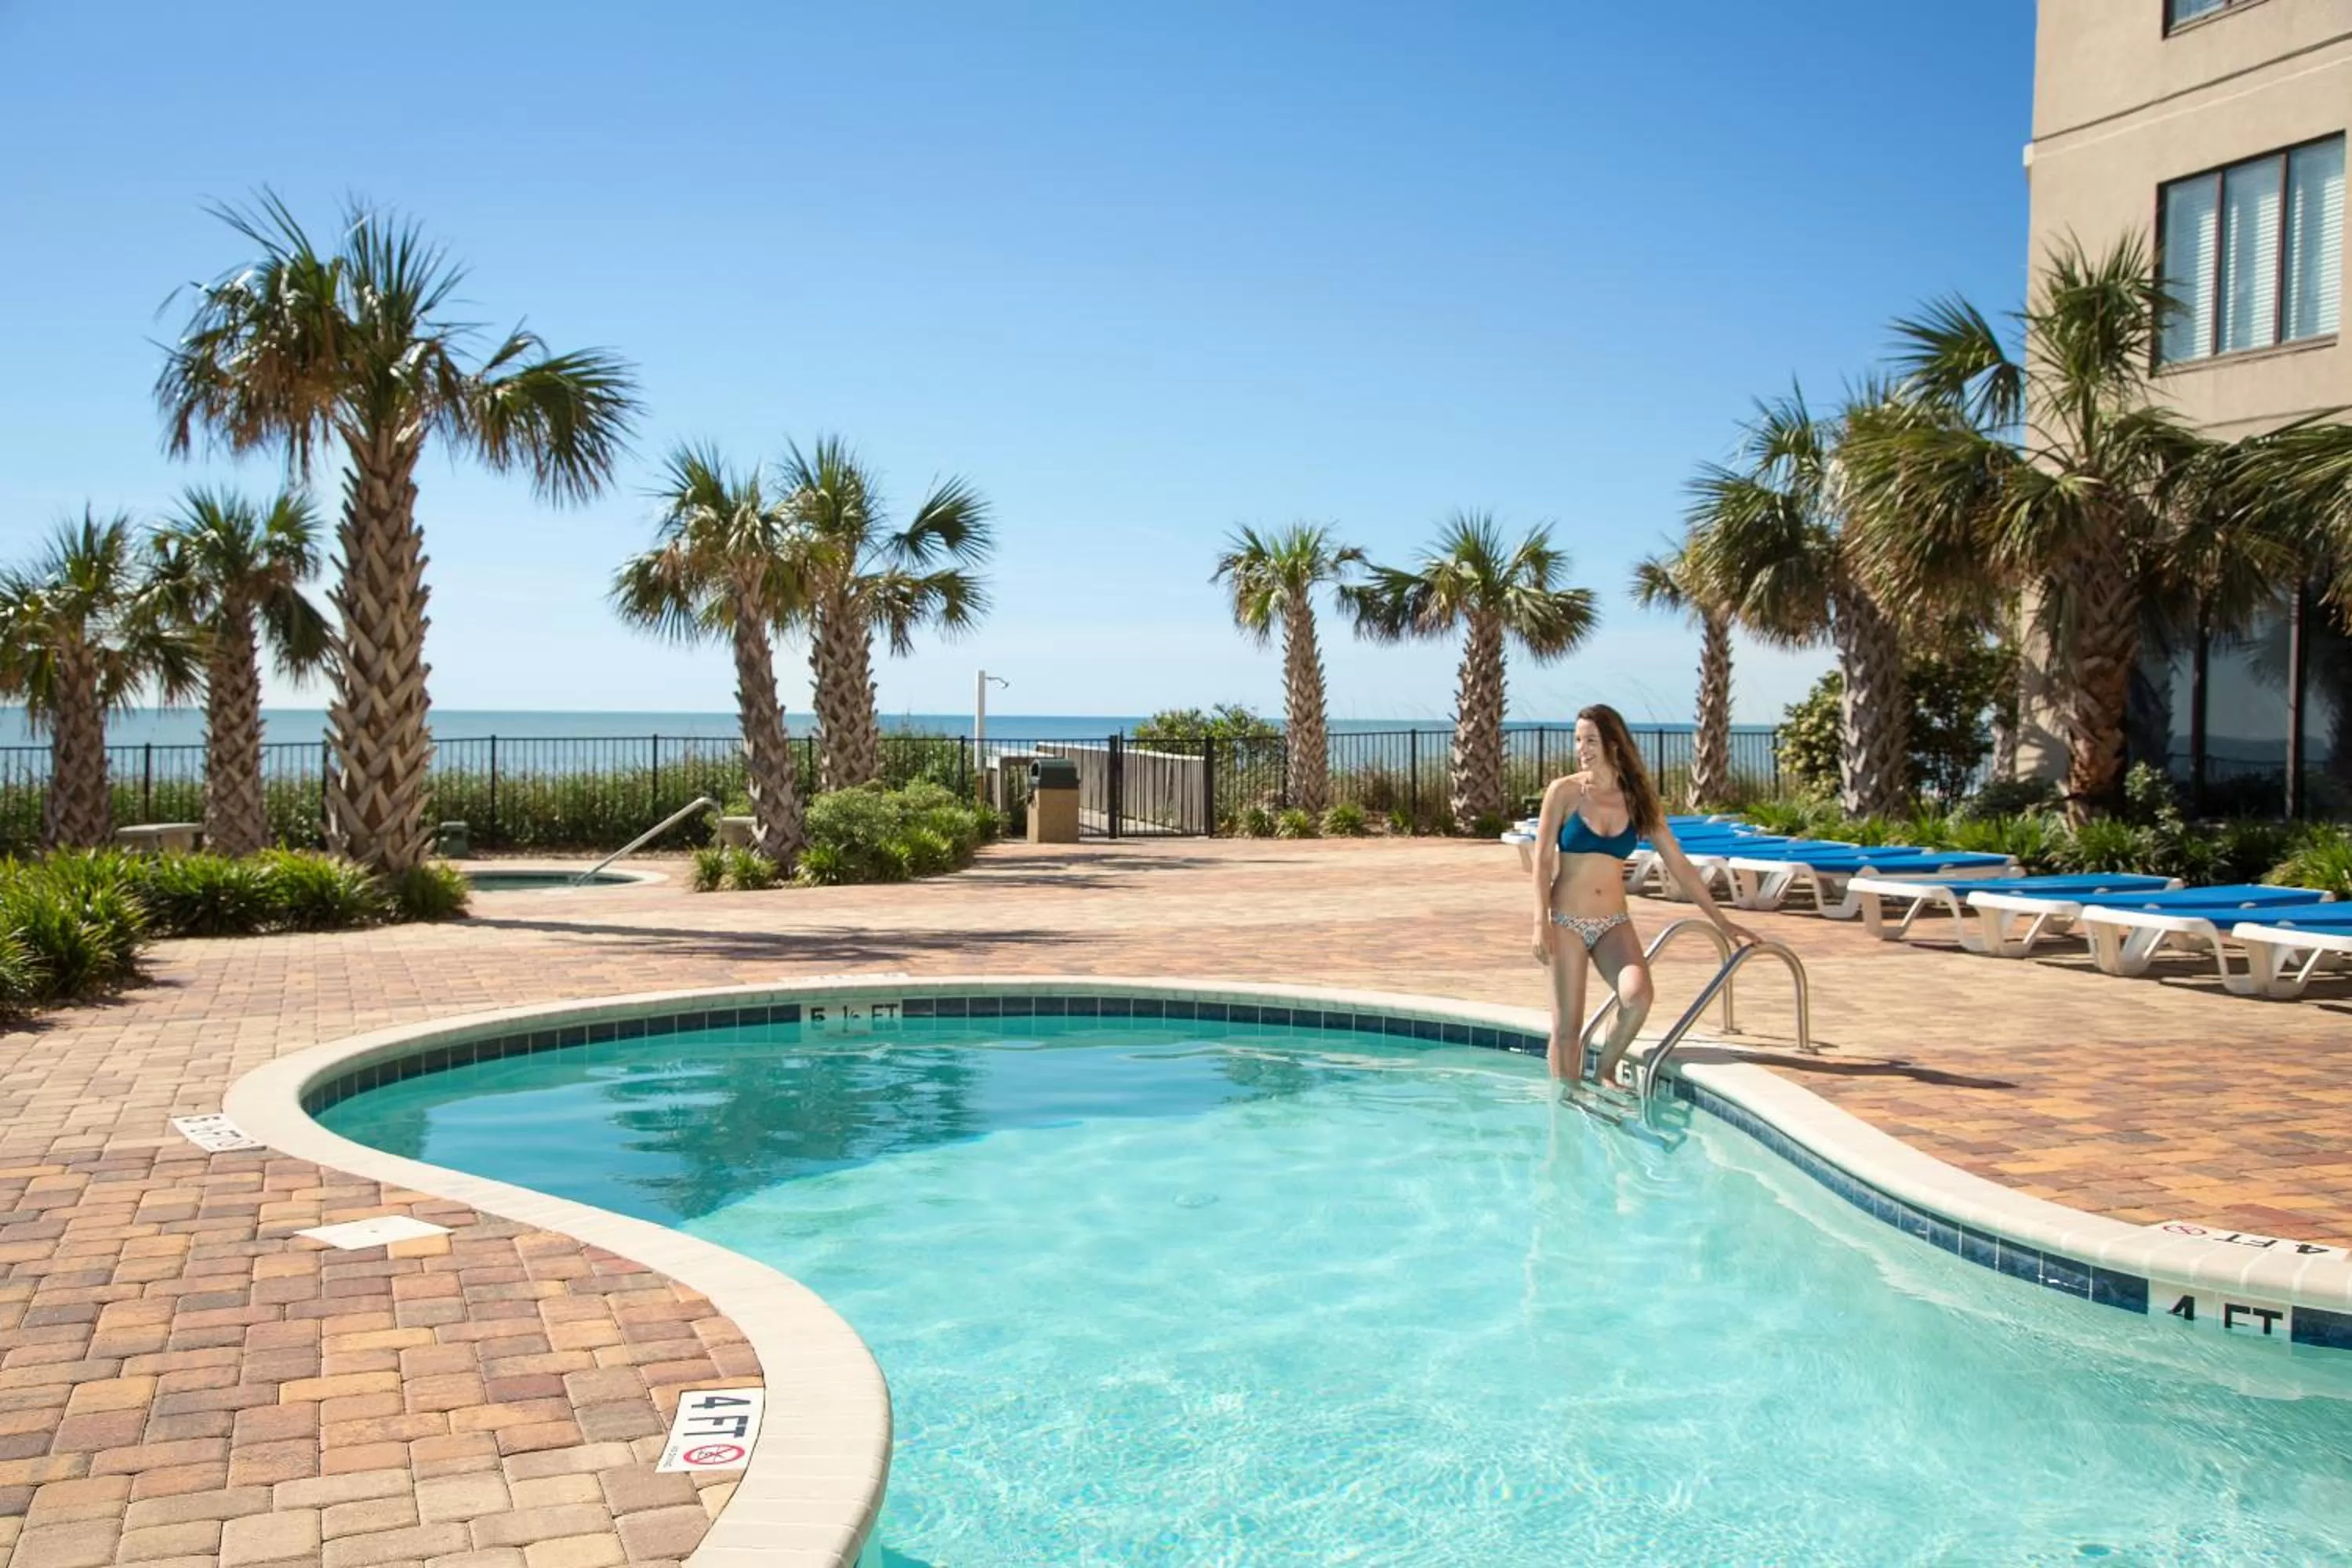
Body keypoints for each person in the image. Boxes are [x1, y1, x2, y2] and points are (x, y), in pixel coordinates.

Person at [1530, 704, 1756, 1094]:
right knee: (1567, 1028)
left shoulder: (1637, 800)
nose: (1581, 749)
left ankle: (1605, 1070)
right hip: (1565, 920)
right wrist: (1540, 922)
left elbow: (1680, 866)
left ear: (1613, 744)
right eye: (1578, 740)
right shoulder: (1564, 792)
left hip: (1613, 922)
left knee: (1638, 996)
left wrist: (1722, 921)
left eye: (1591, 740)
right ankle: (1564, 1111)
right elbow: (1542, 860)